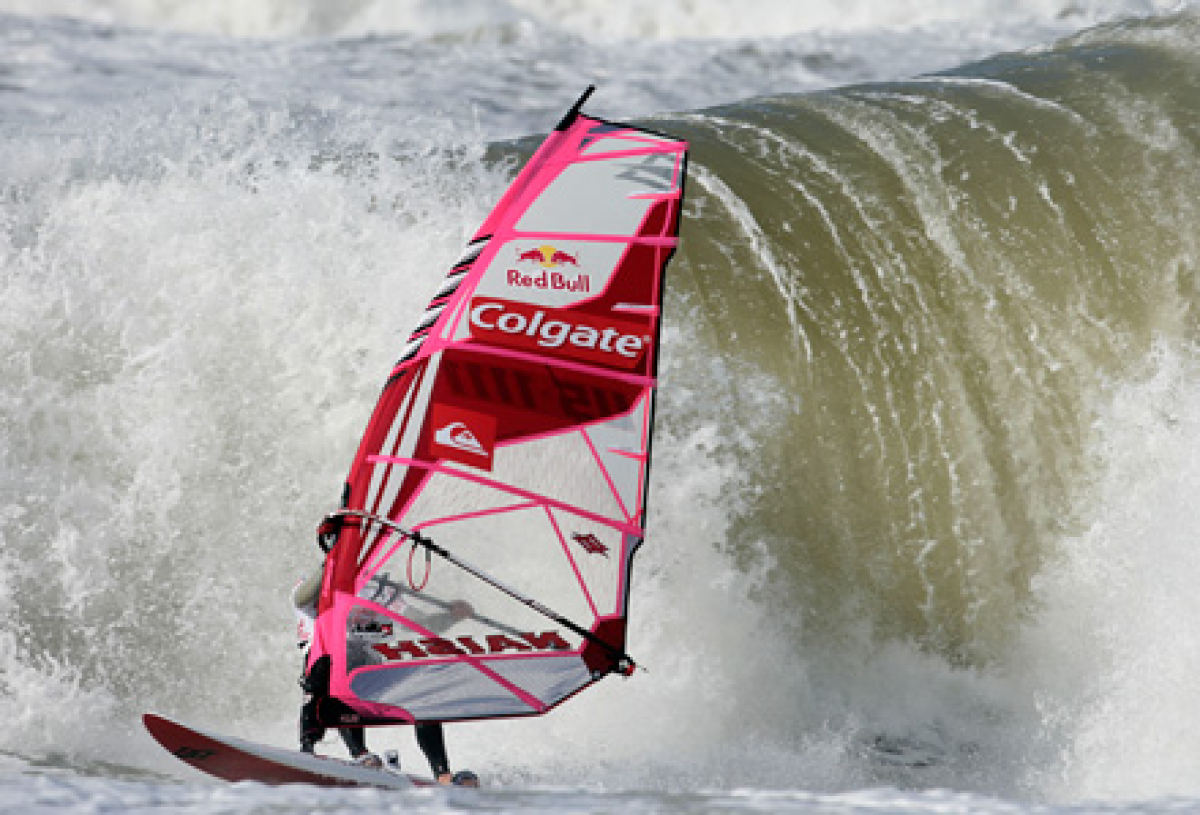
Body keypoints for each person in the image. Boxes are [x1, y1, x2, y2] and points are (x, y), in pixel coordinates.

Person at [292, 564, 475, 785]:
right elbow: (300, 599)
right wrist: (333, 563)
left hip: (369, 669)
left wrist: (452, 617)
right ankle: (339, 753)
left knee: (422, 688)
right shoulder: (316, 585)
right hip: (324, 669)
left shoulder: (379, 590)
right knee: (331, 667)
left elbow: (422, 623)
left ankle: (443, 775)